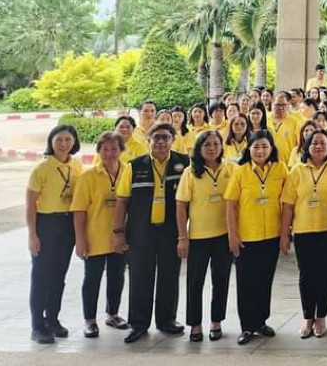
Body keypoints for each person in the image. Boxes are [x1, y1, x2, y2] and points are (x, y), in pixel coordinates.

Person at [113, 121, 189, 343]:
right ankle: (138, 324)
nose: (161, 142)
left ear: (173, 140)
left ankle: (166, 320)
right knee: (139, 279)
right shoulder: (134, 166)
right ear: (148, 141)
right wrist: (118, 232)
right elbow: (122, 201)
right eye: (157, 138)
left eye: (166, 137)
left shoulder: (184, 164)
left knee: (169, 276)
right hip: (140, 232)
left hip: (171, 231)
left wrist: (185, 235)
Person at [224, 130, 286, 346]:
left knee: (265, 280)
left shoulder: (280, 168)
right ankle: (247, 326)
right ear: (248, 149)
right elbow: (231, 205)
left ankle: (261, 321)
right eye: (256, 147)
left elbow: (287, 200)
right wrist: (232, 235)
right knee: (246, 282)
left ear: (271, 148)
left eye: (265, 146)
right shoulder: (240, 171)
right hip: (247, 236)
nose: (260, 151)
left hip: (272, 235)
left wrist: (285, 232)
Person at [281, 130, 327, 339]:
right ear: (307, 146)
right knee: (307, 275)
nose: (318, 146)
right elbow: (288, 205)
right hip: (304, 230)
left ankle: (321, 316)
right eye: (314, 143)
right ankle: (308, 316)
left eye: (323, 143)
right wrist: (284, 234)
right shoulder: (297, 171)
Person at [175, 129, 233, 342]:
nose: (212, 148)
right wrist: (183, 238)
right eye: (207, 145)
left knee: (221, 281)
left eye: (216, 144)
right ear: (199, 148)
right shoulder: (190, 172)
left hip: (224, 236)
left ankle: (216, 322)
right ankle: (195, 324)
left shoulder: (231, 169)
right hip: (198, 237)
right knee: (195, 282)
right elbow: (181, 206)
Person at [26, 124, 82, 343]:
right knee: (41, 276)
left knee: (59, 276)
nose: (63, 144)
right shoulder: (42, 168)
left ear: (74, 142)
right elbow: (30, 205)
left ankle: (52, 319)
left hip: (67, 225)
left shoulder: (77, 166)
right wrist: (33, 235)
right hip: (46, 224)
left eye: (68, 139)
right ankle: (37, 325)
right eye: (59, 139)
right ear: (51, 142)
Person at [72, 131, 128, 338]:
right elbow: (79, 210)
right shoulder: (88, 177)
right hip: (94, 237)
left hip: (120, 237)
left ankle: (112, 314)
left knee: (117, 277)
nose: (110, 153)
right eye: (105, 149)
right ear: (98, 151)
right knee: (92, 279)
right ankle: (89, 320)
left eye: (114, 148)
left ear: (121, 150)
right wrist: (80, 240)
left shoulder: (128, 172)